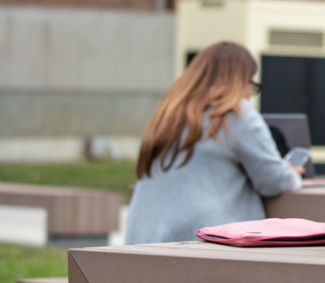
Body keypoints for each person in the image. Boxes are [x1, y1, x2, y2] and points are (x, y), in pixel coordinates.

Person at [125, 42, 303, 245]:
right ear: (240, 82)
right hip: (199, 243)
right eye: (251, 86)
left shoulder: (168, 113)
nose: (248, 94)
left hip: (143, 240)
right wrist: (291, 171)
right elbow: (273, 180)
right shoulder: (236, 114)